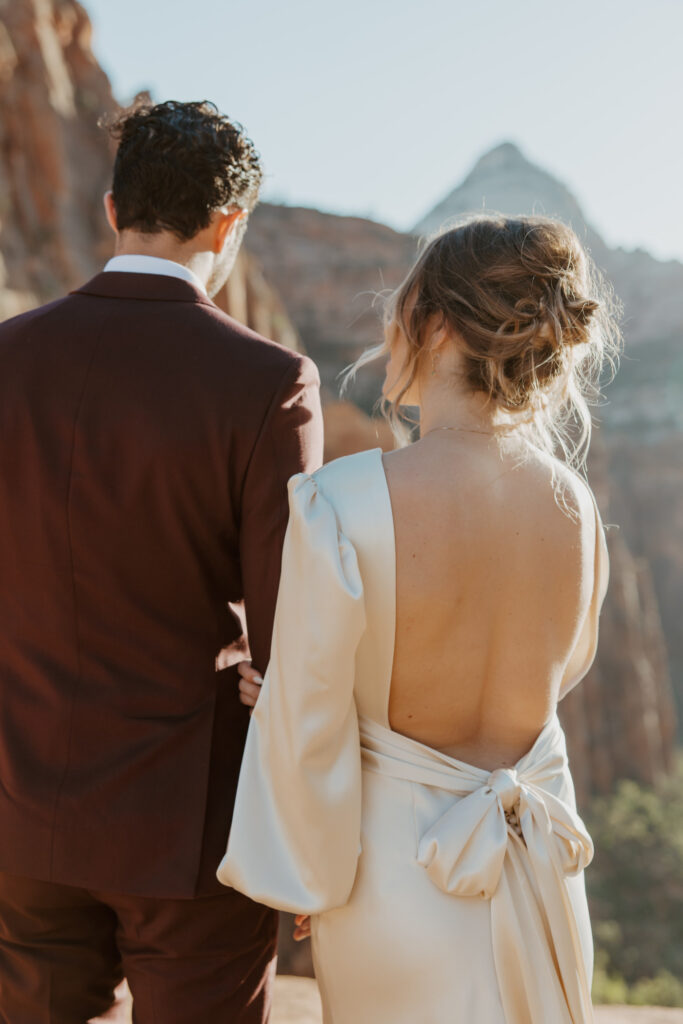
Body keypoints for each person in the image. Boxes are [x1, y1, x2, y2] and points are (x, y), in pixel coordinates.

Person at [219, 214, 621, 1023]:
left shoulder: (342, 499)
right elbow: (564, 666)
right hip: (540, 879)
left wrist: (305, 871)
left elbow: (308, 725)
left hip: (392, 892)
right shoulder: (573, 508)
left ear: (433, 325)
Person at [0, 100, 323, 1023]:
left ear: (111, 210)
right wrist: (309, 830)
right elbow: (293, 634)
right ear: (230, 223)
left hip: (19, 811)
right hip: (192, 829)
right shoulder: (270, 383)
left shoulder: (5, 358)